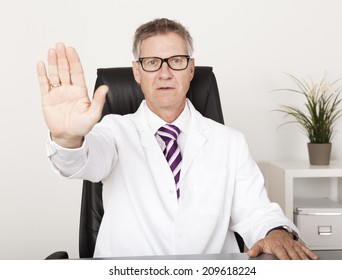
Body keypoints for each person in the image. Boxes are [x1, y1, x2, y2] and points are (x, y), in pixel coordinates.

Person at [36, 18, 318, 260]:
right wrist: (67, 137)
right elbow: (78, 162)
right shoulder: (113, 131)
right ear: (137, 71)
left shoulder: (229, 142)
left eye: (177, 61)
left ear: (191, 68)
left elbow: (255, 211)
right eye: (152, 62)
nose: (165, 73)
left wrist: (276, 232)